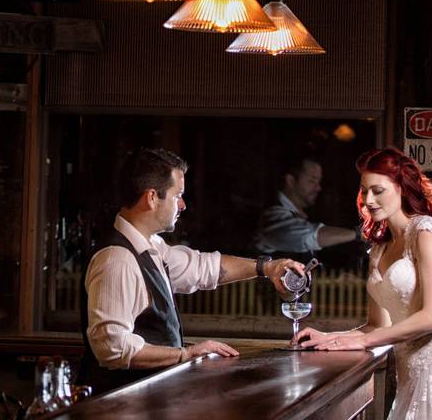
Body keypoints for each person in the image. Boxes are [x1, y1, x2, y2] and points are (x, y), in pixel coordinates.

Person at [81, 148, 304, 394]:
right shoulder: (117, 260)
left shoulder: (152, 247)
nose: (183, 205)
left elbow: (204, 268)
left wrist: (268, 268)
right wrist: (185, 354)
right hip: (118, 406)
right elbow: (112, 348)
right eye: (178, 195)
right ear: (152, 197)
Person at [293, 147, 432, 419]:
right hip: (408, 376)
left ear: (402, 188)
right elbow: (377, 325)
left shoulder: (425, 233)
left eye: (378, 190)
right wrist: (332, 337)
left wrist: (364, 342)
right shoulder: (380, 248)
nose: (368, 199)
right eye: (365, 190)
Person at [251, 153, 361, 262]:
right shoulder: (271, 216)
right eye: (312, 180)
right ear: (290, 181)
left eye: (318, 182)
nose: (318, 188)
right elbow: (308, 236)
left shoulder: (298, 214)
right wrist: (358, 234)